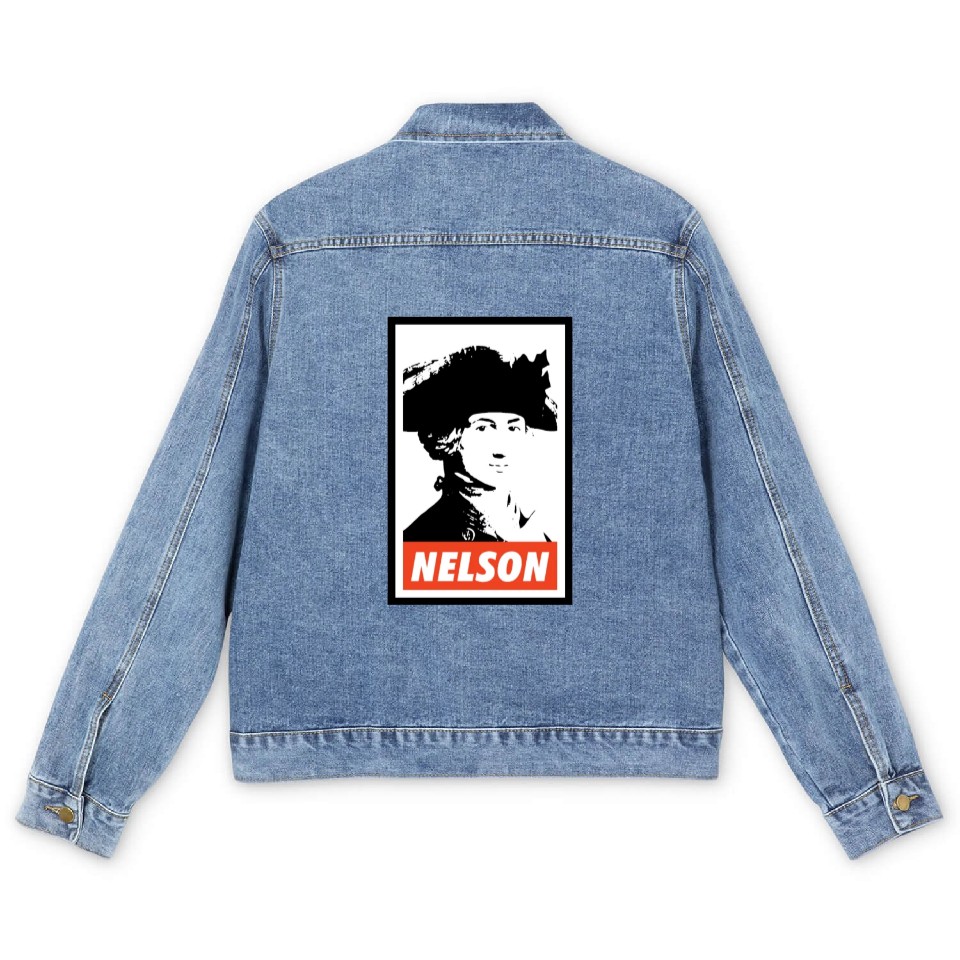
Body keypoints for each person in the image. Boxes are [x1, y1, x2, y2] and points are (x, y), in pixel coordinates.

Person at [402, 344, 558, 542]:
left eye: (513, 428)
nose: (502, 448)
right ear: (448, 437)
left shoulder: (537, 537)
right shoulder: (420, 539)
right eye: (483, 428)